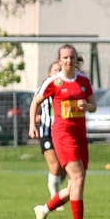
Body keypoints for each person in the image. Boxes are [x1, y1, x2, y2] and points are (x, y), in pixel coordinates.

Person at [29, 44, 96, 219]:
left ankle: (44, 209)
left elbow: (94, 106)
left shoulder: (84, 80)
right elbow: (36, 101)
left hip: (80, 134)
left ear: (76, 59)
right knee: (78, 178)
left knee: (75, 184)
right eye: (65, 58)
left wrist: (87, 105)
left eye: (72, 57)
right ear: (60, 60)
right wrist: (32, 125)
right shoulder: (54, 82)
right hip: (62, 134)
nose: (69, 61)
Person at [35, 60, 67, 202]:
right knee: (55, 166)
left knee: (64, 168)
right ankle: (55, 199)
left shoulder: (66, 89)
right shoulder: (43, 89)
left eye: (60, 69)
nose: (58, 72)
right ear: (49, 73)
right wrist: (34, 120)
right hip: (47, 132)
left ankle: (54, 185)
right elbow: (34, 106)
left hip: (63, 133)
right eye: (55, 69)